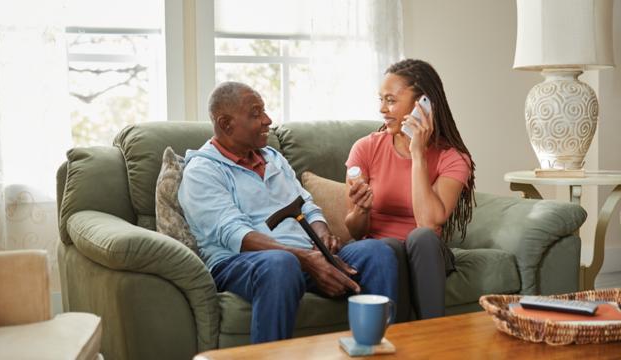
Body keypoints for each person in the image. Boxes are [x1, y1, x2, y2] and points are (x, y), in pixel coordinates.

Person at [178, 81, 398, 344]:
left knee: (378, 252)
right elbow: (238, 236)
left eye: (264, 111)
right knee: (281, 264)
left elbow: (306, 204)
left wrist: (323, 236)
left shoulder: (273, 158)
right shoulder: (202, 171)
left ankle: (379, 351)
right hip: (241, 262)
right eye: (256, 113)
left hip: (304, 257)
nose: (267, 120)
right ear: (226, 124)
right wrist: (307, 259)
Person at [345, 59, 476, 320]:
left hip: (426, 252)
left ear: (422, 105)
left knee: (422, 237)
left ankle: (432, 337)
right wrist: (361, 210)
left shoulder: (454, 158)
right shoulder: (366, 148)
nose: (382, 109)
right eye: (381, 99)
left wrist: (418, 154)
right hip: (381, 252)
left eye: (391, 100)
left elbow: (428, 223)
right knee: (389, 247)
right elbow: (355, 230)